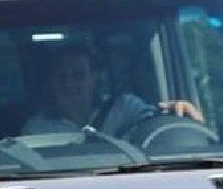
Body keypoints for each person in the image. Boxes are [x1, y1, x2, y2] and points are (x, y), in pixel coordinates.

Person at [23, 43, 202, 138]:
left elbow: (160, 128)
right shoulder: (37, 128)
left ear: (94, 77)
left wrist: (177, 110)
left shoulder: (126, 108)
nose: (68, 84)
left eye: (77, 75)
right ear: (51, 82)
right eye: (61, 77)